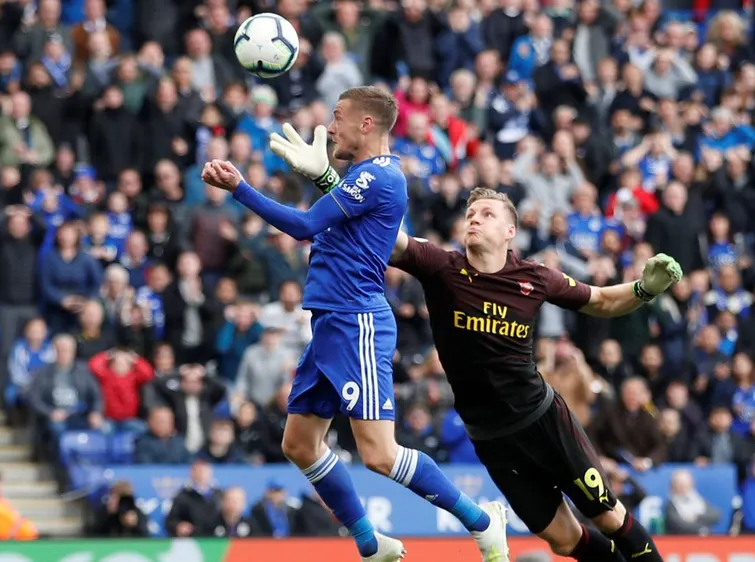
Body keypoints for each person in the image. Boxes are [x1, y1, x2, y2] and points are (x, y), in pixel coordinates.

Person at [202, 86, 505, 562]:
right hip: (330, 322)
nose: (331, 126)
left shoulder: (382, 176)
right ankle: (369, 542)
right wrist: (325, 175)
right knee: (299, 443)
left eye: (339, 117)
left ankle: (483, 522)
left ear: (367, 124)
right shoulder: (363, 176)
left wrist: (240, 188)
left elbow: (305, 227)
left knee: (379, 454)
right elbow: (347, 221)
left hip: (357, 321)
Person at [387, 188, 683, 562]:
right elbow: (389, 239)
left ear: (510, 230)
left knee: (608, 515)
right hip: (491, 437)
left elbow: (602, 300)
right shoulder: (442, 267)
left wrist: (642, 290)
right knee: (563, 540)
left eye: (487, 214)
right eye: (471, 213)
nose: (474, 218)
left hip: (542, 421)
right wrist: (333, 181)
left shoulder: (535, 278)